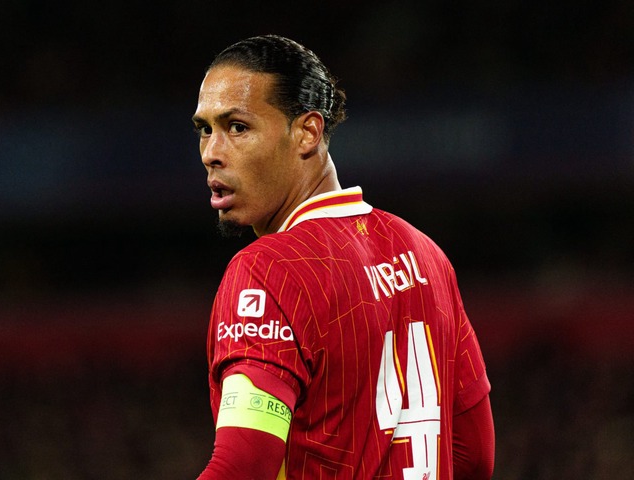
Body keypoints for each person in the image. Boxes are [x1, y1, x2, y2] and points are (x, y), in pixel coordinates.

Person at [191, 34, 495, 480]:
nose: (212, 154)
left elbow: (246, 464)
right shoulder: (425, 254)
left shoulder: (267, 271)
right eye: (205, 129)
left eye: (237, 127)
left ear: (308, 133)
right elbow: (474, 456)